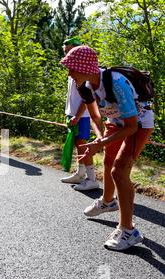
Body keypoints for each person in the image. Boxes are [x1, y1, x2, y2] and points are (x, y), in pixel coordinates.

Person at [61, 45, 155, 251]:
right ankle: (107, 201)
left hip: (138, 124)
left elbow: (131, 127)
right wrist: (99, 138)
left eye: (72, 68)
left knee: (119, 171)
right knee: (107, 160)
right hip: (116, 120)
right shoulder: (84, 85)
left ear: (86, 68)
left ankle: (128, 230)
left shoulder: (117, 84)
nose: (69, 73)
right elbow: (95, 117)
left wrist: (101, 143)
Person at [60, 37, 99, 191]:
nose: (67, 55)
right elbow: (72, 95)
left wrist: (77, 115)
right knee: (78, 144)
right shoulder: (72, 71)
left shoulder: (85, 70)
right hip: (73, 113)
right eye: (65, 52)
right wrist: (68, 112)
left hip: (82, 115)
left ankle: (92, 178)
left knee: (83, 145)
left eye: (69, 51)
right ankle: (80, 173)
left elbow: (87, 97)